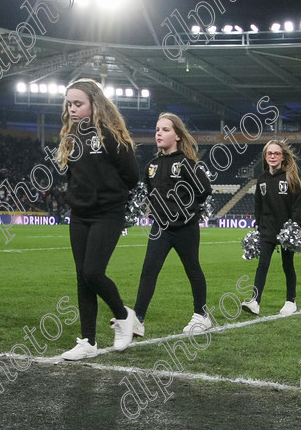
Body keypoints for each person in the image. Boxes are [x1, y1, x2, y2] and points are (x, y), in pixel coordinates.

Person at [58, 79, 139, 361]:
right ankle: (88, 342)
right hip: (79, 216)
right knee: (83, 279)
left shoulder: (110, 134)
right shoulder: (70, 137)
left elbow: (132, 175)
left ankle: (123, 315)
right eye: (69, 104)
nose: (72, 109)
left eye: (78, 103)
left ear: (95, 103)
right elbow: (73, 176)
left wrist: (107, 194)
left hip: (107, 214)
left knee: (93, 272)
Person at [133, 113, 213, 337]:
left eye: (165, 130)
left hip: (185, 227)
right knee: (149, 270)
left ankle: (201, 315)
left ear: (177, 135)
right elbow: (150, 193)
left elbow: (204, 189)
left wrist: (186, 211)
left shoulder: (187, 163)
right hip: (160, 228)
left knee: (193, 269)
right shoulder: (151, 166)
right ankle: (138, 319)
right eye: (157, 129)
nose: (159, 133)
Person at [242, 140, 301, 316]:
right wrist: (258, 226)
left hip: (286, 231)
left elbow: (298, 206)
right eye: (270, 153)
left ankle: (291, 301)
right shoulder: (261, 179)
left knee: (287, 265)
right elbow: (258, 206)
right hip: (267, 229)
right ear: (265, 156)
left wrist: (294, 228)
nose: (273, 156)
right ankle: (255, 301)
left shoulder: (290, 177)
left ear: (282, 156)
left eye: (276, 153)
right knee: (262, 265)